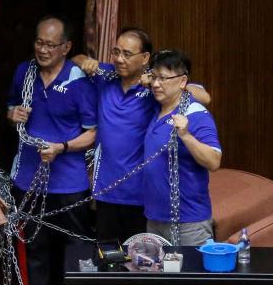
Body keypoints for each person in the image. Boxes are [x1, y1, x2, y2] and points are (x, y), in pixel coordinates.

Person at [73, 28, 211, 243]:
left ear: (145, 57)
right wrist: (84, 60)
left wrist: (155, 81)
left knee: (140, 264)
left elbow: (204, 97)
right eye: (116, 52)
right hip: (106, 191)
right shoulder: (107, 77)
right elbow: (76, 58)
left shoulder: (156, 89)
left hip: (141, 196)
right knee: (108, 262)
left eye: (127, 54)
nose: (120, 59)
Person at [6, 14, 97, 285]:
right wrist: (13, 114)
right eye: (39, 43)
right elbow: (10, 108)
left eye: (50, 45)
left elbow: (93, 132)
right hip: (28, 180)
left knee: (79, 251)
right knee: (35, 250)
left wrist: (62, 148)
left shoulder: (79, 81)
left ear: (66, 47)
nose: (43, 50)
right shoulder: (24, 72)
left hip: (69, 183)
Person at [142, 50, 222, 246]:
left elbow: (214, 161)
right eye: (154, 77)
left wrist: (186, 136)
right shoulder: (155, 107)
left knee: (189, 277)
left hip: (189, 222)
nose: (156, 84)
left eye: (163, 78)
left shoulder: (196, 113)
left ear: (182, 81)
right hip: (154, 218)